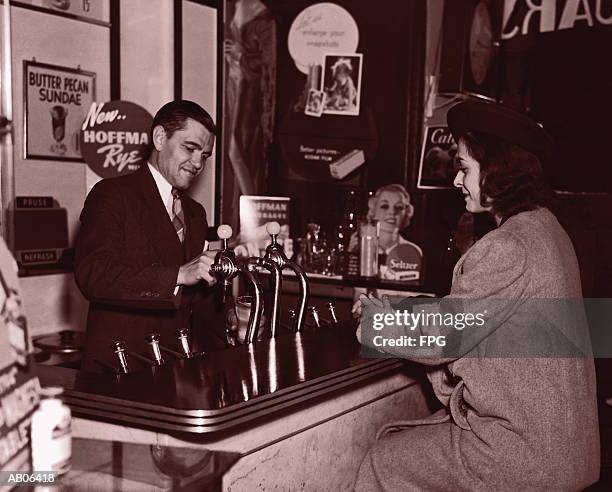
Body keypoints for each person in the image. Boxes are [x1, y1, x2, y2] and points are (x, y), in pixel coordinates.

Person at [354, 101, 599, 490]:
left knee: (385, 461)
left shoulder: (508, 245)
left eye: (464, 168)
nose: (456, 181)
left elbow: (443, 337)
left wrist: (373, 323)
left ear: (496, 171)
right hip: (564, 448)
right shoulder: (547, 230)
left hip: (523, 454)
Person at [75, 100, 218, 372]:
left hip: (177, 369)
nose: (198, 162)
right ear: (160, 138)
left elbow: (195, 302)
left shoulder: (195, 212)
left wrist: (230, 315)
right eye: (190, 148)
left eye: (206, 155)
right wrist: (178, 274)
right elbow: (93, 274)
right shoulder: (112, 195)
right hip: (122, 370)